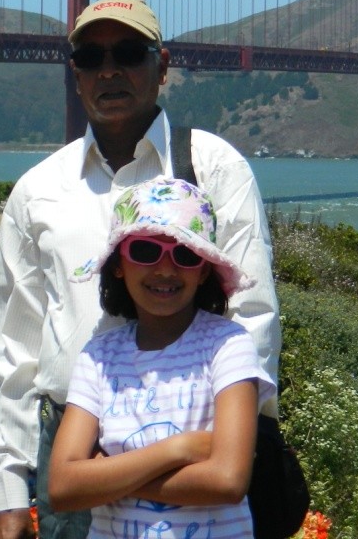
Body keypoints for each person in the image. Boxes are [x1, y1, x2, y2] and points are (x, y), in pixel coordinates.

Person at [0, 0, 280, 539]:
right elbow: (12, 348)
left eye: (129, 52)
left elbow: (253, 314)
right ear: (75, 74)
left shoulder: (214, 166)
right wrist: (8, 490)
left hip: (200, 450)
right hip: (69, 446)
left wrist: (226, 446)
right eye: (91, 57)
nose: (109, 69)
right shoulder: (37, 190)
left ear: (161, 66)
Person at [48, 178, 273, 539]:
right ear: (119, 264)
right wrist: (178, 449)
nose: (165, 269)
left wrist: (107, 476)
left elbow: (228, 480)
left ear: (203, 271)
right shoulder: (99, 357)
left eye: (185, 254)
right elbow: (61, 486)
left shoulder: (227, 345)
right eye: (144, 251)